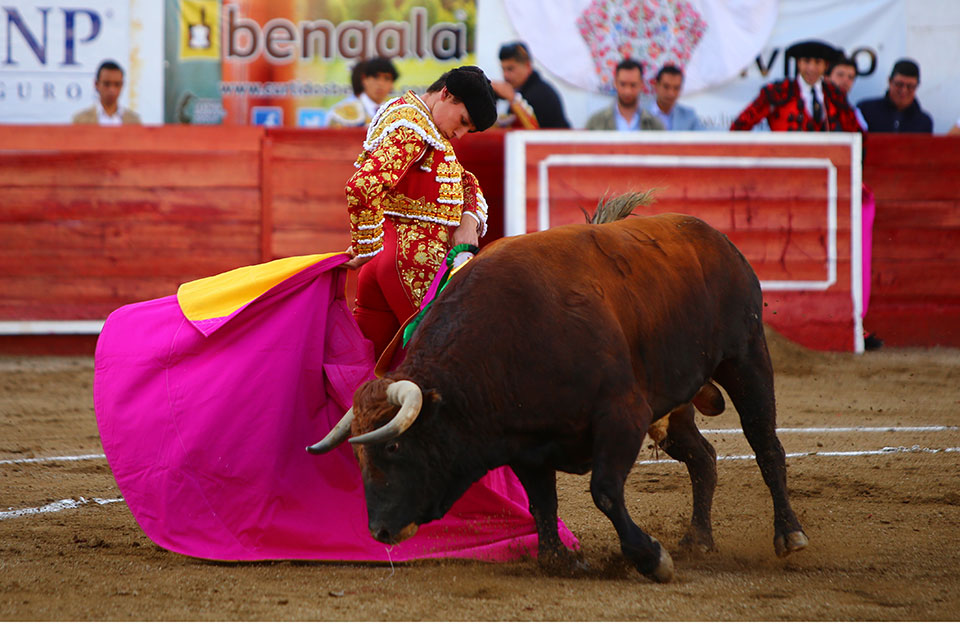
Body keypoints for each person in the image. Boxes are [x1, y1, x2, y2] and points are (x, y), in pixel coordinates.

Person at [342, 66, 497, 359]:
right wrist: (365, 246)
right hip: (412, 263)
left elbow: (465, 179)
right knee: (445, 359)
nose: (460, 134)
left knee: (368, 367)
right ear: (446, 94)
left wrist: (468, 221)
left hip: (388, 261)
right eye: (463, 122)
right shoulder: (412, 129)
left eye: (468, 129)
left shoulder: (423, 123)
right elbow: (362, 185)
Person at [731, 39, 859, 132]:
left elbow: (856, 133)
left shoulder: (834, 95)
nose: (811, 68)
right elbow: (740, 125)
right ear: (798, 63)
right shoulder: (778, 91)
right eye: (806, 61)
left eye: (818, 62)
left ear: (825, 66)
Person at [491, 41, 570, 129]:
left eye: (510, 69)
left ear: (527, 66)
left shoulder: (542, 95)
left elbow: (532, 131)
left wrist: (514, 99)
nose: (505, 75)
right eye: (503, 69)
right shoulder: (523, 91)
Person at [856, 59, 933, 133]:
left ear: (917, 86)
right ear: (890, 81)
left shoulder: (924, 122)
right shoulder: (865, 110)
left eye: (910, 86)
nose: (904, 90)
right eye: (899, 84)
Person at [585, 58, 663, 131]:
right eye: (623, 84)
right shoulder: (596, 123)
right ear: (615, 83)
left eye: (633, 85)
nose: (627, 91)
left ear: (641, 84)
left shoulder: (655, 125)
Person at [326, 57, 399, 128]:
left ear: (392, 84)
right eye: (376, 77)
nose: (381, 83)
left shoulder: (395, 113)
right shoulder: (341, 113)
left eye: (387, 78)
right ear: (364, 80)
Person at [72, 60, 141, 125]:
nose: (112, 89)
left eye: (117, 84)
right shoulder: (80, 120)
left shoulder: (134, 121)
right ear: (96, 84)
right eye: (106, 84)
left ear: (122, 85)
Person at [644, 65, 704, 130]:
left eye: (676, 88)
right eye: (666, 87)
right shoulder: (640, 113)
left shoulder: (689, 116)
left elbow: (703, 135)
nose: (671, 93)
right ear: (656, 85)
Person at [825, 55, 868, 130]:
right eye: (840, 75)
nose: (845, 80)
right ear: (826, 77)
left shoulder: (855, 113)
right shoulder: (818, 106)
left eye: (850, 77)